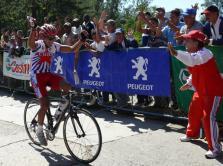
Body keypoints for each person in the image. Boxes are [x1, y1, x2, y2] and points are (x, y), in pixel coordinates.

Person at [28, 21, 88, 146]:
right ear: (43, 37)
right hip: (36, 76)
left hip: (47, 74)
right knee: (44, 104)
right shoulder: (38, 45)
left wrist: (81, 41)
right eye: (49, 38)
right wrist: (33, 30)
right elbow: (31, 44)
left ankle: (60, 110)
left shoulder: (54, 45)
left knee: (67, 85)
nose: (52, 40)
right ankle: (39, 130)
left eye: (53, 37)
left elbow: (71, 49)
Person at [168, 30, 223, 159]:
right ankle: (192, 134)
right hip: (201, 91)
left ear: (196, 42)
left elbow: (193, 62)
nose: (185, 42)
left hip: (213, 91)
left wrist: (175, 53)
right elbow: (195, 70)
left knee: (208, 117)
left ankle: (215, 148)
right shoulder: (193, 53)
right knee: (193, 111)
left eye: (187, 40)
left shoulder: (205, 53)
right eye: (185, 40)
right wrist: (189, 82)